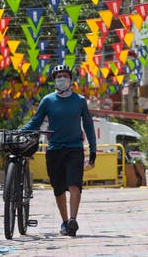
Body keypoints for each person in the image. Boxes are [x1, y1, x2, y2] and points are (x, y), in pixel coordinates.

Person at [20, 64, 96, 237]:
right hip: (54, 150)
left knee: (74, 184)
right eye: (58, 76)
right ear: (54, 80)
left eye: (65, 76)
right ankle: (65, 221)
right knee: (59, 189)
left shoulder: (80, 100)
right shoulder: (48, 100)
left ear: (70, 79)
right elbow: (35, 122)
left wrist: (93, 150)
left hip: (75, 149)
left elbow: (89, 126)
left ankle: (73, 220)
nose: (62, 79)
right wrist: (20, 132)